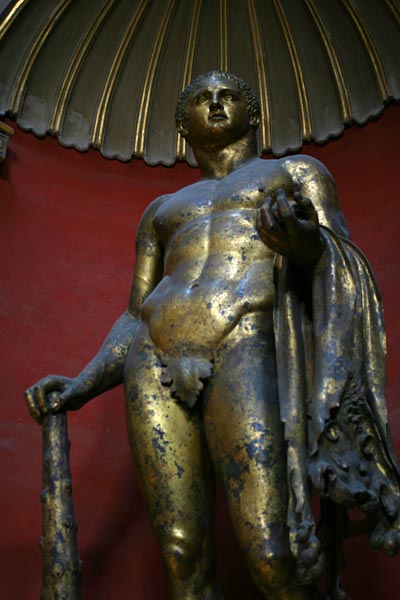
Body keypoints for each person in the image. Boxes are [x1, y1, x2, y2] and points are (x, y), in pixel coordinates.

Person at [25, 71, 400, 600]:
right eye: (203, 98)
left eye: (229, 96)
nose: (217, 103)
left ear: (253, 112)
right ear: (184, 125)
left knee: (272, 551)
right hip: (153, 358)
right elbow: (134, 314)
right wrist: (82, 384)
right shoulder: (162, 210)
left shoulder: (295, 172)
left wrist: (301, 242)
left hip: (247, 342)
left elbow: (341, 264)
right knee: (181, 552)